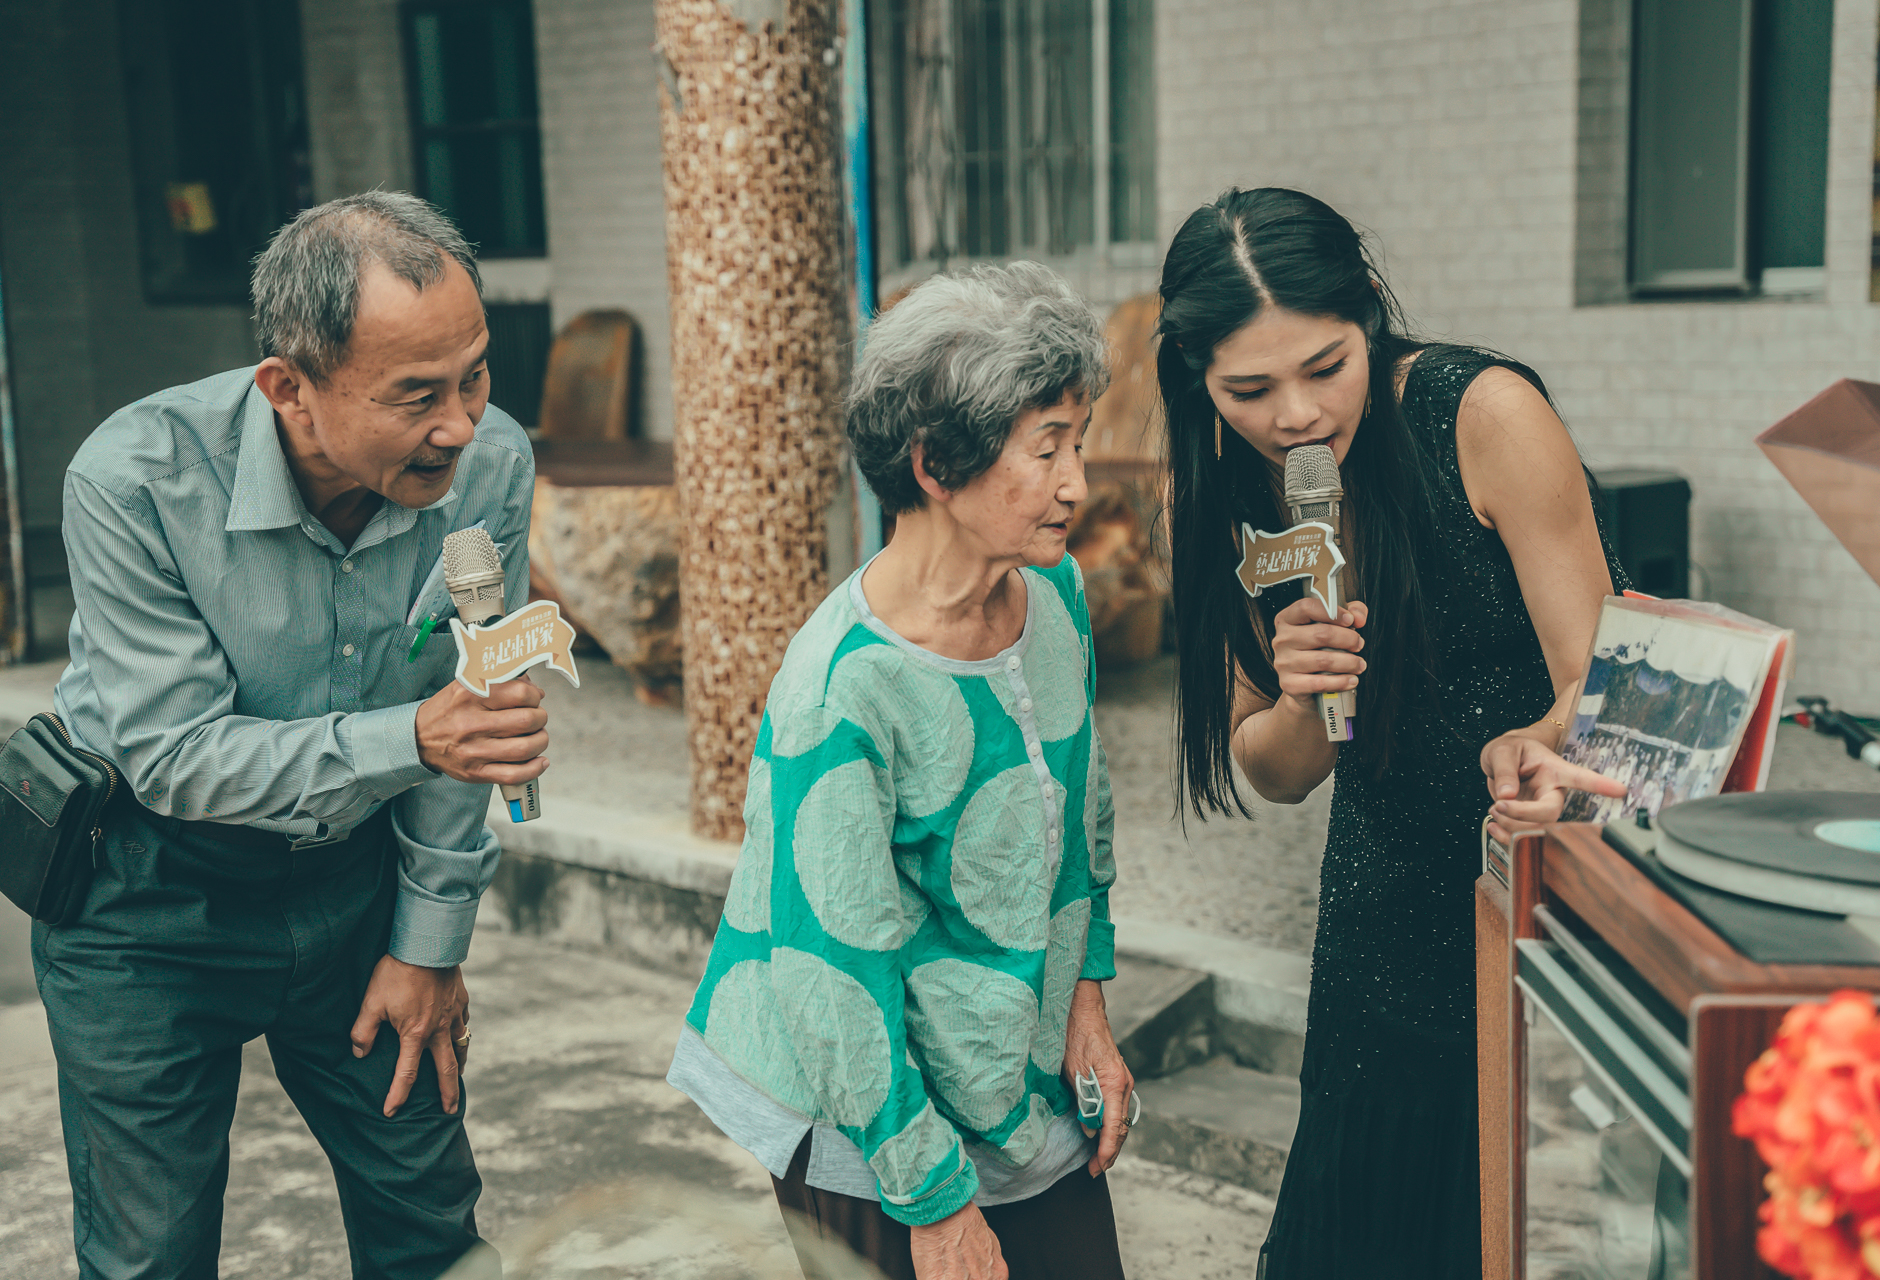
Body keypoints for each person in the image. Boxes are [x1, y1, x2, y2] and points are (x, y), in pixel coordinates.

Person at [32, 191, 548, 1280]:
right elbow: (173, 754)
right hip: (146, 895)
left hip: (360, 887)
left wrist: (427, 938)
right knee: (148, 1256)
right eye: (416, 395)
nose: (460, 423)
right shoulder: (133, 480)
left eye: (475, 374)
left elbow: (478, 708)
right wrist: (417, 734)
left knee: (434, 1229)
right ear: (290, 388)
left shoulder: (488, 464)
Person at [1155, 188, 1630, 1277]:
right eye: (1249, 390)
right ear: (1197, 378)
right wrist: (1303, 703)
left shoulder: (1483, 414)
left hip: (1530, 900)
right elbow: (1270, 769)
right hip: (1376, 930)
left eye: (1326, 367)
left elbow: (1600, 679)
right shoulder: (1224, 486)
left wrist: (1544, 743)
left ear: (1368, 313)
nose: (1295, 418)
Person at [667, 261, 1132, 1280]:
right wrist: (931, 1198)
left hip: (1008, 1057)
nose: (1076, 485)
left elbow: (1082, 817)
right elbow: (833, 970)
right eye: (1047, 449)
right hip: (863, 1106)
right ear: (935, 463)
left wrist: (1087, 1002)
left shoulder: (1054, 592)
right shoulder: (843, 686)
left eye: (1078, 444)